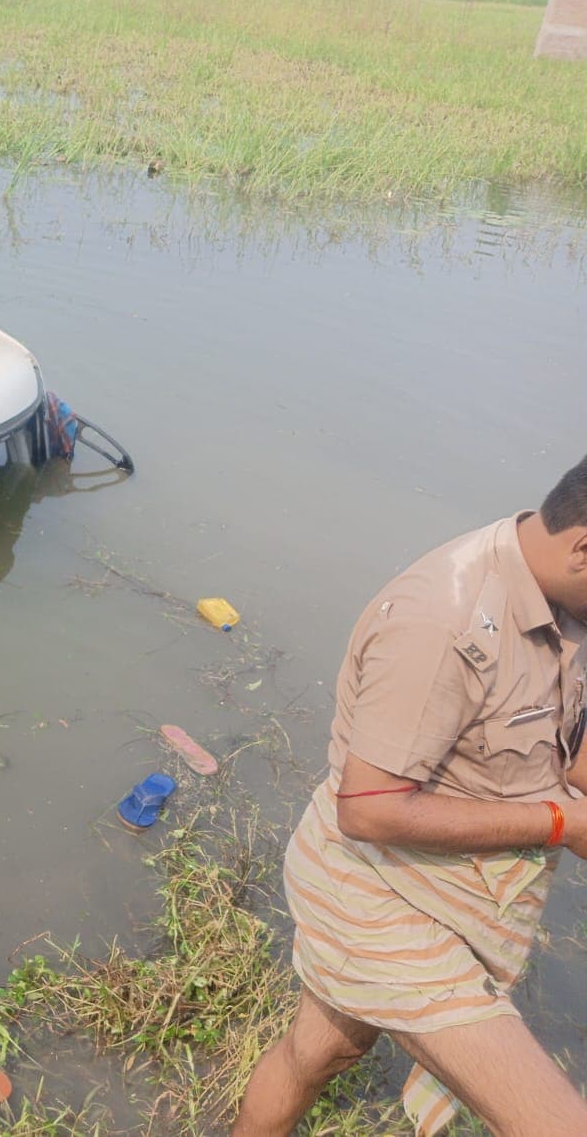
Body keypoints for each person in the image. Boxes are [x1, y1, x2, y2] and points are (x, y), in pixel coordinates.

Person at [233, 456, 587, 1137]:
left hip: (454, 889)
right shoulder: (443, 620)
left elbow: (569, 758)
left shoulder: (569, 602)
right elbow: (369, 809)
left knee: (320, 1053)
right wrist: (558, 824)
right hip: (374, 892)